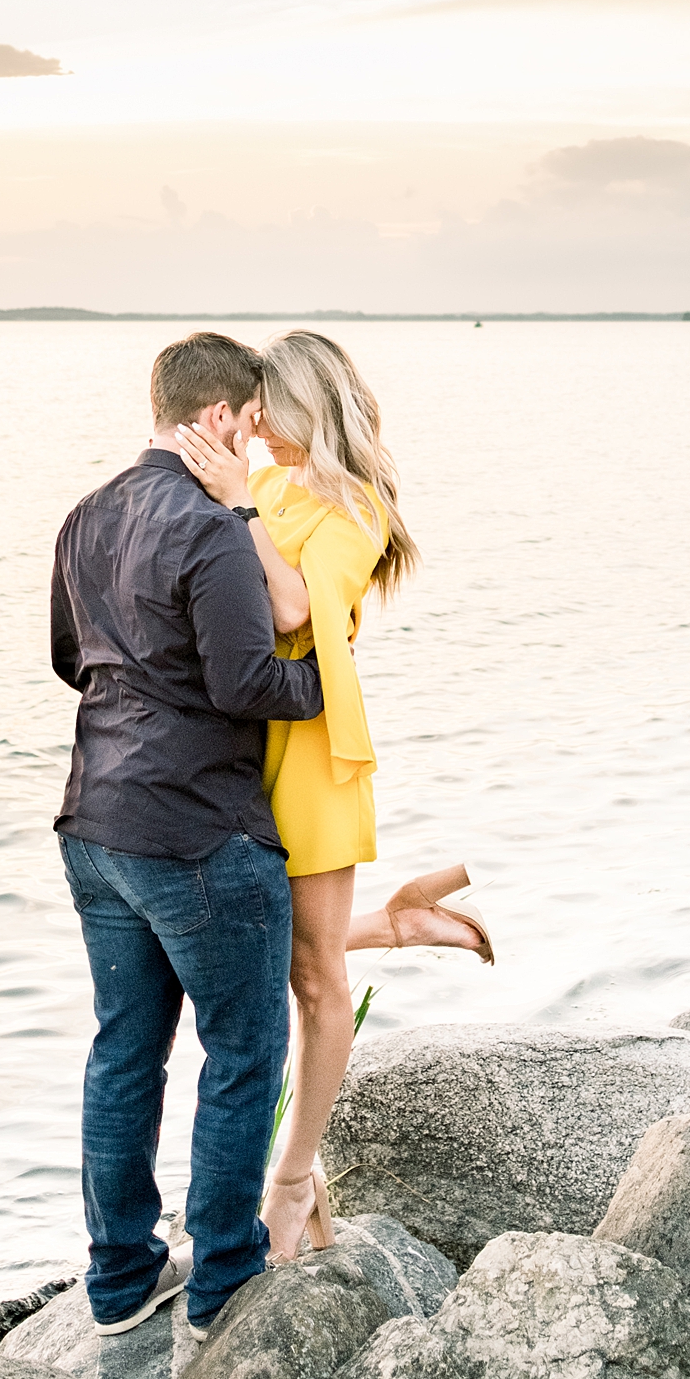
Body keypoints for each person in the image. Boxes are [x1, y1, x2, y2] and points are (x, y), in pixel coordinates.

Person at [175, 328, 492, 1265]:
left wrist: (235, 508)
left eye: (267, 400)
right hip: (240, 740)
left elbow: (292, 613)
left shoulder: (359, 512)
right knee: (248, 938)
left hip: (311, 753)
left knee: (313, 982)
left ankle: (290, 1183)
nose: (255, 419)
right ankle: (393, 923)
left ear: (308, 403)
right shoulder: (263, 487)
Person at [51, 332, 326, 1345]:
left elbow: (68, 659)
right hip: (200, 833)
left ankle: (120, 1283)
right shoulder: (215, 528)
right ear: (218, 418)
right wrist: (329, 681)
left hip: (93, 823)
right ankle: (220, 1286)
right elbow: (247, 682)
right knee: (244, 1054)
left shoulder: (85, 515)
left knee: (124, 1050)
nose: (253, 443)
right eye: (252, 426)